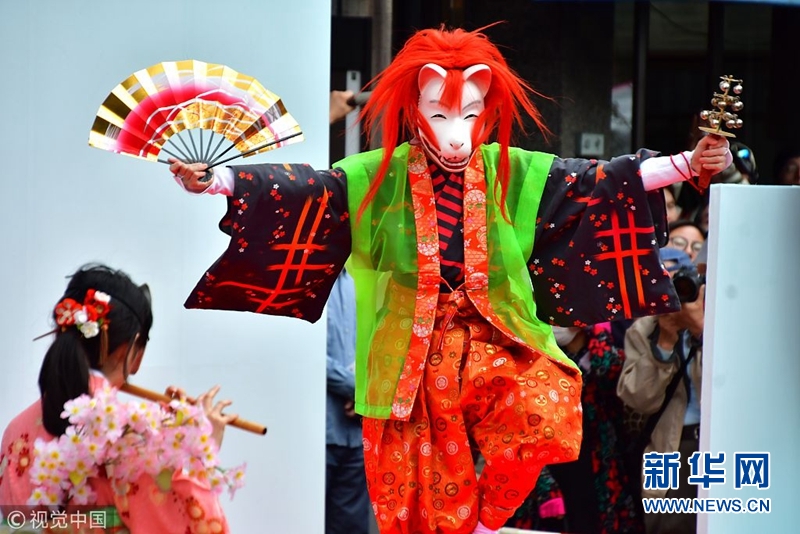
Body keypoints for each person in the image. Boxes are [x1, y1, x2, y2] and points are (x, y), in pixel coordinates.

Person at [167, 27, 730, 534]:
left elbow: (597, 181)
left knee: (547, 412)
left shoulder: (512, 169)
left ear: (486, 110)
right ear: (415, 110)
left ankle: (486, 522)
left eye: (469, 116)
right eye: (440, 116)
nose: (457, 135)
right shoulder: (375, 177)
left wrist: (688, 164)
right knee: (427, 502)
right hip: (409, 357)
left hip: (496, 337)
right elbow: (305, 190)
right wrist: (218, 179)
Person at [0, 264, 237, 533]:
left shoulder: (16, 434)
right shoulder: (137, 433)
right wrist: (200, 449)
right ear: (132, 352)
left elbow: (18, 524)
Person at [617, 248, 704, 534]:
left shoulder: (721, 322)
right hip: (669, 447)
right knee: (665, 525)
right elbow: (639, 400)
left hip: (717, 444)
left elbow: (733, 390)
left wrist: (700, 330)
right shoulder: (644, 329)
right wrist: (665, 340)